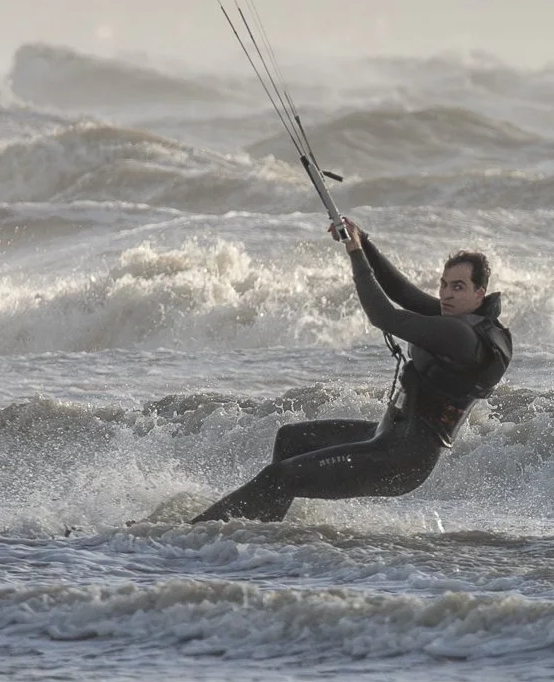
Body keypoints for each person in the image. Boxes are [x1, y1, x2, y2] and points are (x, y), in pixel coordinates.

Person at [190, 217, 512, 523]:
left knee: (279, 477)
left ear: (479, 294)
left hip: (400, 459)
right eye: (443, 285)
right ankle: (265, 531)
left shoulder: (461, 336)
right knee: (290, 439)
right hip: (388, 435)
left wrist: (355, 253)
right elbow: (403, 293)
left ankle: (194, 538)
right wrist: (363, 240)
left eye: (457, 287)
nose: (445, 294)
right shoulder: (459, 317)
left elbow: (384, 315)